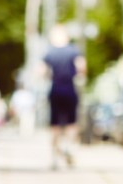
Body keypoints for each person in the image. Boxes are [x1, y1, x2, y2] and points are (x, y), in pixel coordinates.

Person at [42, 23, 86, 169]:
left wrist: (49, 76)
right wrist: (79, 76)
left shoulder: (50, 52)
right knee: (72, 123)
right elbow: (82, 67)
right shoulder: (74, 51)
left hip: (55, 88)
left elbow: (41, 70)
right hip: (70, 88)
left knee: (54, 125)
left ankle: (54, 157)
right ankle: (69, 148)